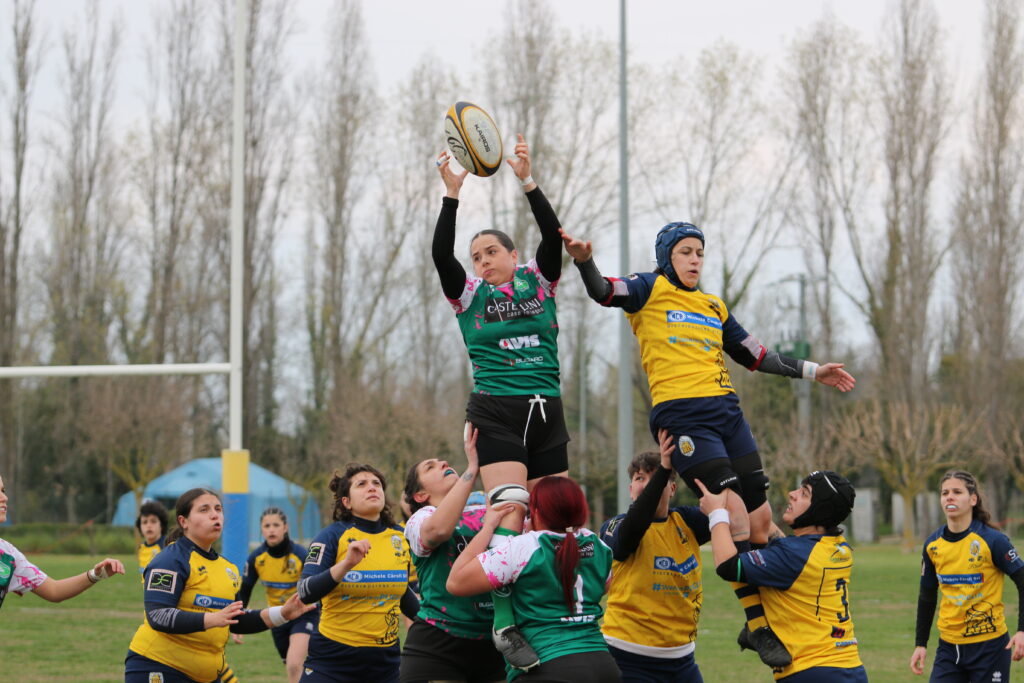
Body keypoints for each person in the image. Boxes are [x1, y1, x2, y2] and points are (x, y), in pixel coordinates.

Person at [560, 221, 856, 668]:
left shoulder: (713, 306)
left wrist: (815, 371)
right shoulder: (649, 288)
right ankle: (759, 625)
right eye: (685, 252)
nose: (695, 259)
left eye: (700, 252)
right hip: (683, 417)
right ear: (667, 257)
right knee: (732, 517)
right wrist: (585, 262)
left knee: (759, 523)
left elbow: (756, 355)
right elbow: (604, 291)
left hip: (727, 414)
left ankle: (764, 613)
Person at [434, 135, 570, 668]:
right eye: (476, 257)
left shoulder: (540, 281)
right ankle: (504, 622)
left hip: (547, 410)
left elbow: (553, 235)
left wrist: (528, 180)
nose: (483, 261)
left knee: (551, 518)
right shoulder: (469, 296)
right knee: (510, 513)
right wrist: (452, 194)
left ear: (514, 255)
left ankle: (551, 614)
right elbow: (439, 255)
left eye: (491, 251)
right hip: (497, 411)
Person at [125, 487, 315, 683]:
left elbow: (237, 619)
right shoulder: (171, 559)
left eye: (218, 509)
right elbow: (158, 615)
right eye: (204, 509)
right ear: (184, 521)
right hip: (158, 666)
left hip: (206, 675)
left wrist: (283, 613)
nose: (214, 515)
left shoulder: (228, 569)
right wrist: (212, 618)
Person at [447, 476, 620, 682]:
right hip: (603, 664)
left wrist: (488, 529)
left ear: (536, 512)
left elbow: (456, 582)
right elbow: (603, 587)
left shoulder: (526, 547)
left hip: (549, 664)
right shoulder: (599, 546)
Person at [698, 470, 865, 682]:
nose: (792, 494)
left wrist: (716, 513)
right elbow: (765, 530)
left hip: (811, 671)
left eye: (804, 493)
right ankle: (757, 626)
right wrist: (751, 493)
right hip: (850, 668)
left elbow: (728, 566)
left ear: (820, 509)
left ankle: (757, 627)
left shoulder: (795, 555)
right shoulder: (837, 547)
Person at [600, 430, 710, 682]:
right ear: (631, 490)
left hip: (682, 660)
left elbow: (726, 508)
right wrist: (663, 470)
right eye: (640, 478)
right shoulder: (616, 526)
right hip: (627, 657)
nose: (648, 484)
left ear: (673, 489)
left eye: (656, 477)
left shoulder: (687, 521)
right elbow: (635, 525)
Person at [401, 423, 505, 683]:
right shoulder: (420, 519)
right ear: (421, 495)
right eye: (430, 467)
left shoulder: (484, 507)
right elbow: (437, 532)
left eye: (442, 462)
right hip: (439, 642)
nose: (443, 463)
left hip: (494, 640)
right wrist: (471, 469)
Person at [297, 464, 419, 683]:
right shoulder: (331, 536)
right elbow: (305, 592)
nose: (372, 488)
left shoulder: (401, 537)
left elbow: (402, 593)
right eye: (361, 484)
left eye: (376, 483)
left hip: (385, 665)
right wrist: (346, 565)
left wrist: (436, 627)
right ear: (347, 502)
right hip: (332, 662)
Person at [909, 469, 1024, 681]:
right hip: (949, 648)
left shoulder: (993, 540)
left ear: (973, 499)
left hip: (990, 648)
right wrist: (920, 644)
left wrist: (1022, 630)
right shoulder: (933, 545)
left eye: (957, 492)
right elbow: (927, 596)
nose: (949, 497)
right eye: (945, 493)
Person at [0, 472, 125, 610]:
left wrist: (95, 574)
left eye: (3, 491)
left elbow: (54, 590)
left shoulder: (8, 556)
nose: (4, 497)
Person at [236, 507, 318, 683]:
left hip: (303, 614)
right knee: (294, 667)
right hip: (277, 616)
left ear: (285, 527)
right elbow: (245, 591)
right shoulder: (257, 558)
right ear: (261, 529)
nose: (271, 530)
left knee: (294, 665)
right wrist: (237, 621)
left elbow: (317, 586)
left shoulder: (300, 555)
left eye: (276, 525)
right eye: (267, 526)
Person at [135, 500, 168, 578]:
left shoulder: (167, 547)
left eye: (153, 521)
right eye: (144, 522)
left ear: (161, 525)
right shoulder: (141, 548)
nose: (149, 525)